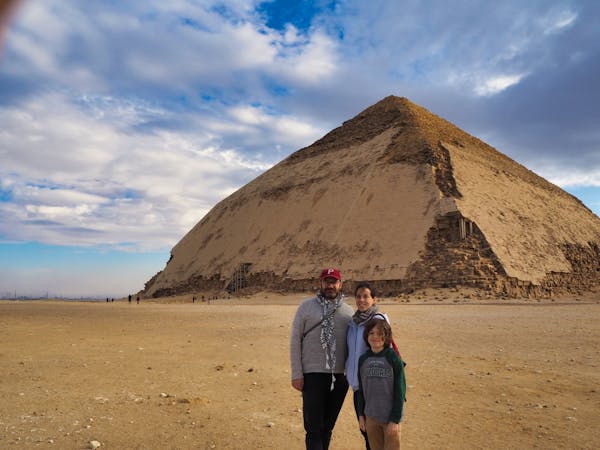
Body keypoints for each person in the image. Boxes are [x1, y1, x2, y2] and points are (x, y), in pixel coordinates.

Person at [290, 268, 354, 450]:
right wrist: (296, 373)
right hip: (312, 376)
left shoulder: (349, 313)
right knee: (313, 429)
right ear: (320, 283)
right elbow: (295, 341)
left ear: (340, 284)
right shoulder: (306, 308)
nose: (330, 285)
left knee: (327, 428)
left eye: (334, 281)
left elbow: (356, 346)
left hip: (339, 378)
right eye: (326, 281)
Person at [346, 282, 389, 450]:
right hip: (358, 388)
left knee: (375, 435)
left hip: (374, 387)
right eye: (358, 296)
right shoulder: (353, 323)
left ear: (374, 299)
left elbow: (386, 353)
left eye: (366, 296)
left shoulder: (378, 322)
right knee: (366, 433)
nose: (361, 300)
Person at [357, 320, 406, 450]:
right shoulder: (363, 359)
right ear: (366, 336)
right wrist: (361, 416)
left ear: (387, 336)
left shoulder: (393, 359)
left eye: (380, 333)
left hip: (390, 419)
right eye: (371, 333)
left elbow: (400, 391)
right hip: (371, 417)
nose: (375, 337)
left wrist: (395, 420)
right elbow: (361, 390)